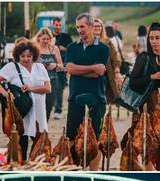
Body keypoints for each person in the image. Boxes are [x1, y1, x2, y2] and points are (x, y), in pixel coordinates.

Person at [0, 41, 51, 161]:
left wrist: (31, 88)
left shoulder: (40, 67)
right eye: (22, 56)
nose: (26, 59)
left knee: (40, 144)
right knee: (20, 144)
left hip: (38, 111)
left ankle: (36, 168)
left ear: (34, 56)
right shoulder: (11, 67)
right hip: (21, 112)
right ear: (18, 56)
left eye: (29, 56)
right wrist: (6, 94)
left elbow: (48, 88)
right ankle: (21, 166)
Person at [65, 13, 110, 170]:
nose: (79, 30)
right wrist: (92, 67)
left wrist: (79, 69)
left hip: (97, 98)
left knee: (95, 138)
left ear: (91, 26)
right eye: (77, 27)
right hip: (75, 97)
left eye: (82, 26)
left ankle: (94, 172)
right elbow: (69, 68)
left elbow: (99, 73)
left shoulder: (103, 49)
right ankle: (74, 169)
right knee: (71, 136)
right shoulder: (72, 47)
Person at [129, 22, 160, 125]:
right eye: (151, 38)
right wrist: (151, 77)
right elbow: (132, 83)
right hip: (144, 106)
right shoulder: (143, 57)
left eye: (157, 38)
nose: (154, 41)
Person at [34, 27, 64, 122]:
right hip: (37, 81)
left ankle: (44, 127)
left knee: (49, 105)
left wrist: (54, 65)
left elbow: (61, 66)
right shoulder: (34, 49)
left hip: (52, 80)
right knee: (37, 105)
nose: (46, 41)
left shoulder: (54, 49)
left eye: (48, 39)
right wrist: (39, 64)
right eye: (44, 39)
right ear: (38, 38)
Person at [93, 18, 123, 104]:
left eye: (99, 26)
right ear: (91, 27)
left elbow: (115, 57)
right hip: (91, 74)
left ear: (102, 28)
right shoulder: (87, 41)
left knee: (105, 98)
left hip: (106, 75)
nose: (97, 28)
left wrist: (117, 71)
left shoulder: (107, 42)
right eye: (95, 26)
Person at [51, 17, 72, 120]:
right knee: (51, 89)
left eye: (59, 25)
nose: (58, 27)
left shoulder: (66, 37)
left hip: (62, 66)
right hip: (50, 66)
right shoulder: (48, 36)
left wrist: (65, 48)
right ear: (53, 25)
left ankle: (58, 110)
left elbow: (72, 49)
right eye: (56, 25)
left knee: (59, 89)